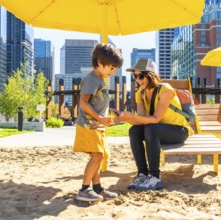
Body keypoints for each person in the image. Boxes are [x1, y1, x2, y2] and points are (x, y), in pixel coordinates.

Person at [114, 58, 193, 191]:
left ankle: (155, 176)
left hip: (179, 131)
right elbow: (141, 120)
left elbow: (156, 119)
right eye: (135, 76)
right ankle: (142, 174)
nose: (138, 79)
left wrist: (132, 116)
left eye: (141, 76)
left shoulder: (165, 90)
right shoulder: (140, 93)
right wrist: (124, 118)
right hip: (157, 130)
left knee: (151, 128)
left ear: (151, 76)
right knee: (134, 130)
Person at [74, 44, 123, 202]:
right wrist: (99, 118)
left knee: (98, 157)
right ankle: (84, 189)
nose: (113, 71)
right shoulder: (92, 79)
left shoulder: (101, 79)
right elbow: (83, 103)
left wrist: (109, 113)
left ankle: (97, 188)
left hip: (97, 125)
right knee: (98, 155)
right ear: (100, 62)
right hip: (89, 125)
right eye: (112, 68)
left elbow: (97, 102)